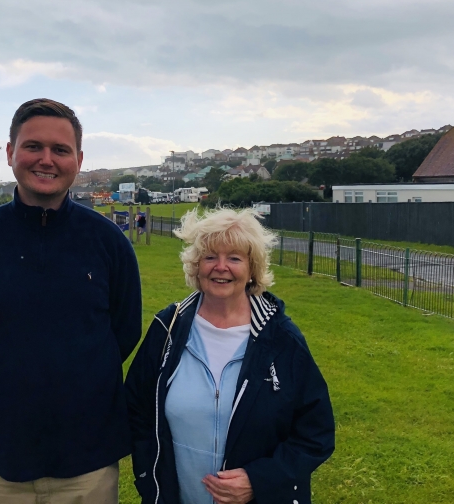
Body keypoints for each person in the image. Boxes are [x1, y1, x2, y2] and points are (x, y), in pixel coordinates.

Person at [0, 99, 142, 504]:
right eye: (33, 147)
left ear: (78, 159)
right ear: (10, 153)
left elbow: (124, 333)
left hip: (87, 464)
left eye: (60, 150)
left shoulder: (109, 243)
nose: (46, 160)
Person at [125, 207, 334, 504]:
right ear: (196, 265)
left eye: (234, 258)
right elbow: (138, 412)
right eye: (210, 257)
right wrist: (150, 480)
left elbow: (316, 434)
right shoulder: (167, 329)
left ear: (252, 269)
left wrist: (259, 480)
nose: (220, 267)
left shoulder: (281, 339)